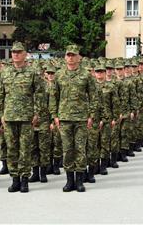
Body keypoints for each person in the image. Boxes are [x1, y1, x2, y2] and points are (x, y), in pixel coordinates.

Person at [0, 42, 42, 193]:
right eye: (13, 52)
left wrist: (37, 113)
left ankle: (24, 180)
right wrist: (0, 114)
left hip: (27, 117)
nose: (15, 54)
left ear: (24, 54)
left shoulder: (32, 73)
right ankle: (14, 179)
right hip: (9, 117)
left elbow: (40, 94)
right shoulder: (5, 73)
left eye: (19, 52)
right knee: (12, 149)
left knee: (25, 149)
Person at [49, 44, 95, 192]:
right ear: (65, 57)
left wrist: (91, 115)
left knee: (80, 149)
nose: (71, 57)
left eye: (73, 55)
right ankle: (70, 181)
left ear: (79, 57)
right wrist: (54, 116)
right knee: (67, 150)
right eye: (68, 55)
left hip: (81, 118)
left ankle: (80, 181)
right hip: (64, 118)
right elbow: (53, 97)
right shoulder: (59, 75)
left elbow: (94, 96)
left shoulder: (86, 75)